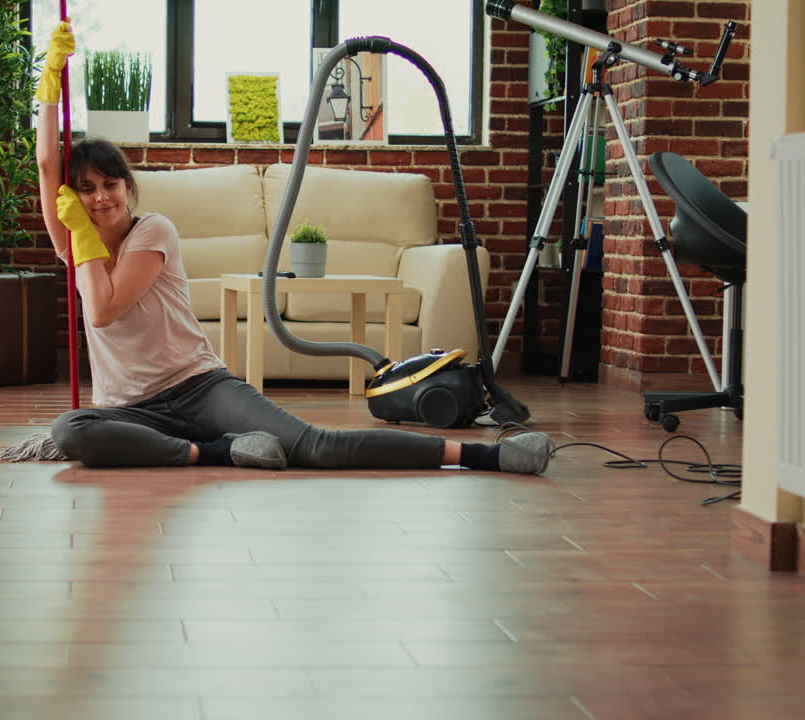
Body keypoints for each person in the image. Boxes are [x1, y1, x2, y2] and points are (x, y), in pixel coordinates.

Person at [32, 20, 552, 474]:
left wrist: (78, 231)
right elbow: (45, 165)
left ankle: (484, 457)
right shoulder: (76, 243)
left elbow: (102, 309)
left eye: (110, 184)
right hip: (128, 410)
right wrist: (48, 85)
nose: (100, 198)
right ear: (72, 198)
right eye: (87, 188)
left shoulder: (153, 232)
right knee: (71, 431)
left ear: (127, 186)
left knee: (314, 446)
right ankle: (213, 453)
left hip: (198, 388)